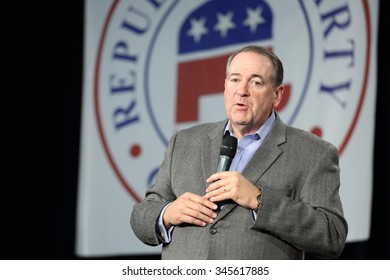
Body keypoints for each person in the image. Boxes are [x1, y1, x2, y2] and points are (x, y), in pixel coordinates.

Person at [130, 45, 348, 259]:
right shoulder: (184, 142)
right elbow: (141, 216)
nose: (242, 91)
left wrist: (259, 200)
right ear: (225, 86)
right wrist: (167, 213)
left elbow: (332, 235)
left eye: (256, 82)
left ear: (277, 95)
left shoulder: (313, 153)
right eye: (235, 79)